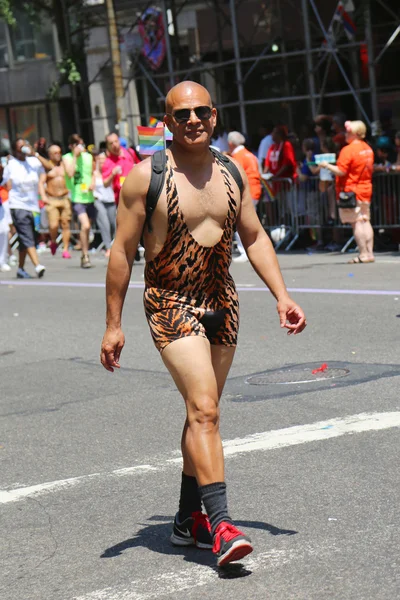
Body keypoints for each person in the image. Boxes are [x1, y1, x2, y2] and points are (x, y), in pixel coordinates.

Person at [100, 81, 307, 567]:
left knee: (203, 412)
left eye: (201, 112)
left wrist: (282, 296)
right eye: (182, 114)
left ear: (214, 116)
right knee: (204, 408)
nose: (193, 120)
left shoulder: (232, 171)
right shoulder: (144, 177)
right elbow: (121, 253)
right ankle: (221, 526)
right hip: (171, 302)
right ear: (167, 122)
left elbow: (253, 237)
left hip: (222, 301)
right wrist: (114, 324)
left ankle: (185, 517)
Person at [320, 120, 374, 264]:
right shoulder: (368, 148)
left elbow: (341, 171)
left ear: (355, 133)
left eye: (348, 132)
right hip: (365, 188)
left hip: (350, 190)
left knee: (356, 223)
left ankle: (363, 253)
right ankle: (369, 253)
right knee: (365, 220)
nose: (345, 134)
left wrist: (326, 165)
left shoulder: (348, 150)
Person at [2, 139, 46, 278]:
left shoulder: (33, 162)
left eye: (24, 146)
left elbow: (49, 167)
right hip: (17, 205)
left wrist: (36, 154)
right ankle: (37, 265)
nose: (23, 149)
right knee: (27, 236)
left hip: (33, 206)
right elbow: (4, 181)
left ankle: (21, 268)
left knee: (27, 238)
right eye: (20, 147)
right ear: (16, 150)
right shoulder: (11, 165)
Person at [227, 131, 262, 262]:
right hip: (255, 190)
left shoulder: (237, 156)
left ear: (230, 143)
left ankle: (245, 251)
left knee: (241, 224)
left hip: (246, 192)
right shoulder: (250, 154)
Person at [63, 134, 96, 269]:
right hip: (77, 197)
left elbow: (94, 172)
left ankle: (84, 252)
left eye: (82, 144)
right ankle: (85, 254)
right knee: (86, 225)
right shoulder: (67, 158)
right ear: (72, 146)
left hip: (89, 196)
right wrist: (75, 156)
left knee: (86, 229)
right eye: (77, 145)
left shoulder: (88, 157)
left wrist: (93, 183)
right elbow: (70, 173)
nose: (80, 147)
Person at [38, 144, 72, 259]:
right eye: (55, 153)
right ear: (50, 155)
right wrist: (43, 196)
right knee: (53, 225)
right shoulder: (47, 167)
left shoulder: (64, 165)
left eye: (59, 152)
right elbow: (41, 183)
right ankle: (53, 240)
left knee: (66, 224)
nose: (58, 155)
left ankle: (66, 249)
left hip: (64, 197)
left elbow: (71, 174)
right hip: (52, 199)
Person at [102, 132, 140, 205]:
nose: (114, 145)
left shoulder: (130, 152)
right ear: (107, 146)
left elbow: (140, 165)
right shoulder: (108, 162)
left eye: (116, 141)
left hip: (137, 195)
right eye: (111, 143)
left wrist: (137, 168)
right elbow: (105, 184)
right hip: (122, 200)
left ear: (119, 141)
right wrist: (112, 174)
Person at [93, 151, 116, 258]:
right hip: (99, 200)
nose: (102, 162)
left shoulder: (112, 170)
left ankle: (115, 247)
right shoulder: (94, 173)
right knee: (105, 223)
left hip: (111, 200)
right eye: (99, 159)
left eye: (103, 159)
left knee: (114, 224)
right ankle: (108, 247)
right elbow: (91, 186)